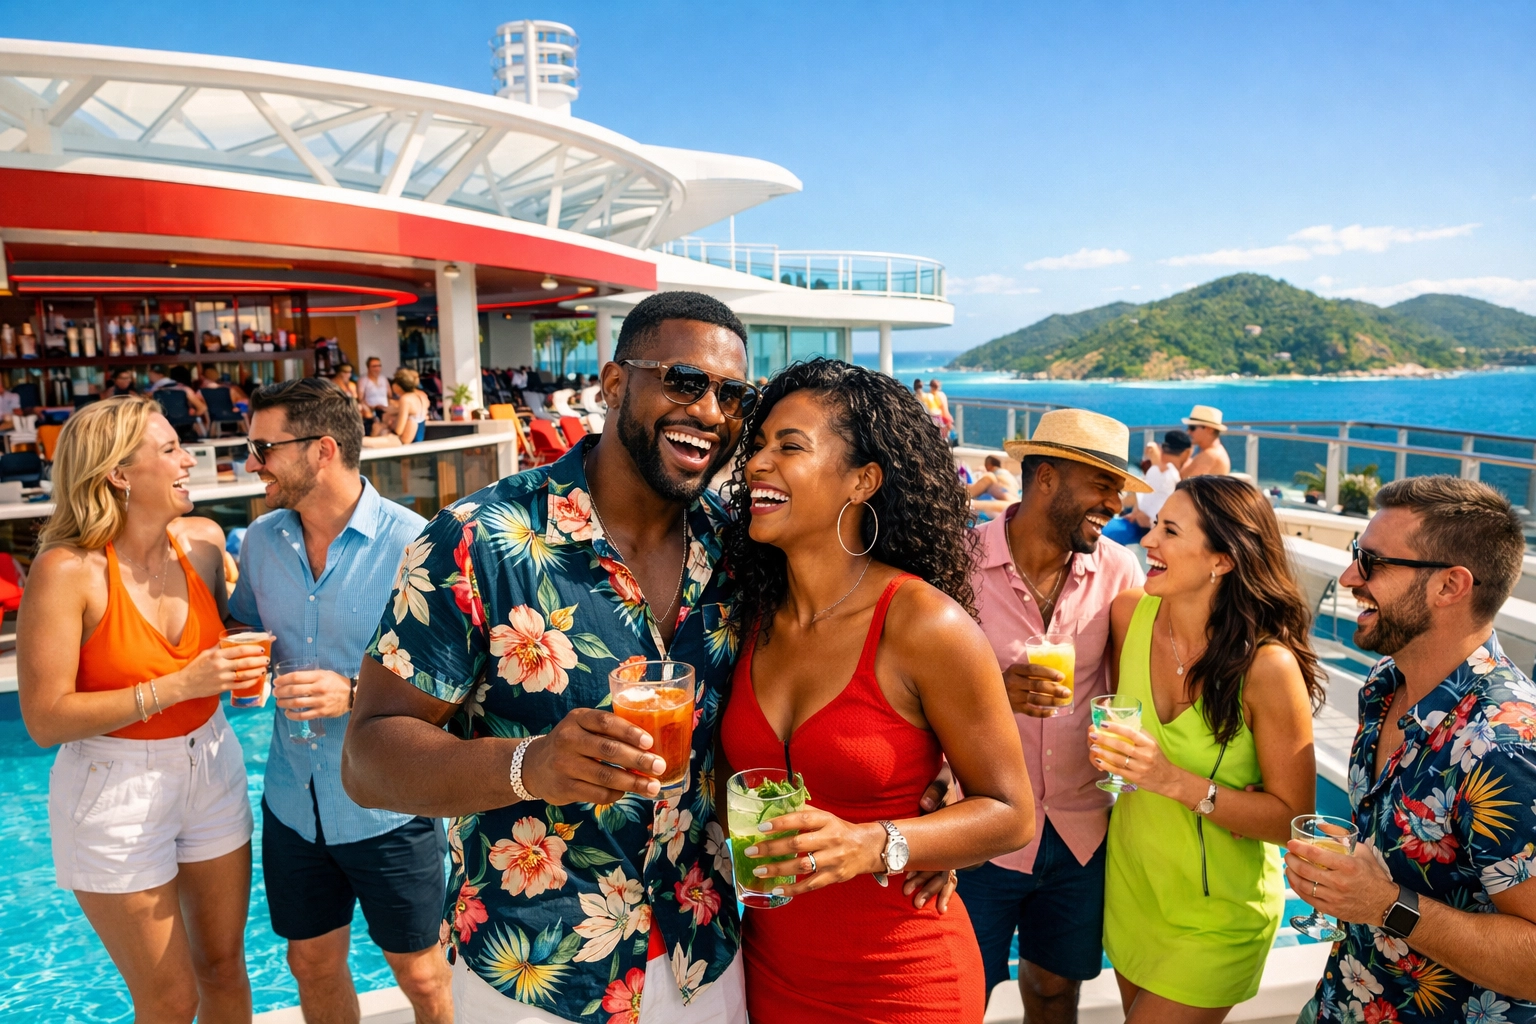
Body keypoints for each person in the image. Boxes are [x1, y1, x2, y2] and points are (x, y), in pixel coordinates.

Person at [343, 291, 759, 1024]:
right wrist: (529, 765)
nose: (711, 411)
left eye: (733, 395)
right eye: (685, 381)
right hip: (537, 976)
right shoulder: (476, 542)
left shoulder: (736, 548)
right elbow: (369, 757)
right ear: (614, 383)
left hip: (705, 958)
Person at [720, 358, 1033, 1023]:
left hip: (903, 982)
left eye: (790, 446)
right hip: (771, 974)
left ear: (861, 481)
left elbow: (1011, 813)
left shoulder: (924, 625)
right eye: (760, 444)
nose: (756, 464)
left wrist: (881, 842)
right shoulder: (746, 619)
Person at [17, 395, 266, 1022]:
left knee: (226, 973)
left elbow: (231, 637)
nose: (189, 461)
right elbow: (44, 719)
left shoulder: (205, 543)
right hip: (114, 787)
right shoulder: (65, 571)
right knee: (169, 998)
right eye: (170, 450)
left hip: (211, 765)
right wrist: (179, 686)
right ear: (119, 474)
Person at [226, 378, 450, 1022]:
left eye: (263, 447)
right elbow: (247, 623)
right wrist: (244, 652)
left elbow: (451, 686)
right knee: (311, 964)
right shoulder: (263, 542)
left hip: (388, 803)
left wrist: (352, 694)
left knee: (424, 976)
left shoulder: (416, 544)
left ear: (322, 450)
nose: (252, 463)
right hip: (293, 800)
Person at [1286, 476, 1536, 1022]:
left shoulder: (1505, 744)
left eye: (1372, 562)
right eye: (1356, 555)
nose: (1350, 576)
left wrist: (1384, 904)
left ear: (1450, 586)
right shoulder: (1383, 686)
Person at [1090, 475, 1323, 1021]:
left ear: (1222, 559)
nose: (1148, 540)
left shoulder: (1269, 669)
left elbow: (1294, 820)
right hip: (1131, 889)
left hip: (1218, 914)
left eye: (1169, 531)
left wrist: (1171, 778)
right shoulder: (1130, 614)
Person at [955, 409, 1148, 1020]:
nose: (1116, 503)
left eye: (1119, 489)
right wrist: (992, 690)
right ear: (1046, 478)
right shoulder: (955, 562)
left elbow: (1134, 684)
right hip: (979, 826)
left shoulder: (1119, 570)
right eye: (1102, 485)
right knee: (960, 997)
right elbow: (907, 692)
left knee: (1055, 990)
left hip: (1079, 833)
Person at [363, 368, 430, 448]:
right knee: (377, 427)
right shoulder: (418, 396)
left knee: (363, 441)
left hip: (401, 440)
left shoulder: (406, 399)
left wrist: (388, 427)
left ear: (397, 385)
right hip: (415, 438)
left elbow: (398, 430)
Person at [1180, 405, 1230, 477]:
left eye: (1192, 428)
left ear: (1209, 429)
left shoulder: (1210, 455)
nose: (1188, 432)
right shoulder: (1210, 452)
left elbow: (1186, 482)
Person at [360, 357, 391, 425]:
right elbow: (360, 399)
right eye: (374, 366)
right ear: (368, 368)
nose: (377, 369)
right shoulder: (363, 380)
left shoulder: (384, 379)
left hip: (385, 409)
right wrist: (372, 408)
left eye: (379, 366)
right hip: (371, 411)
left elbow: (390, 396)